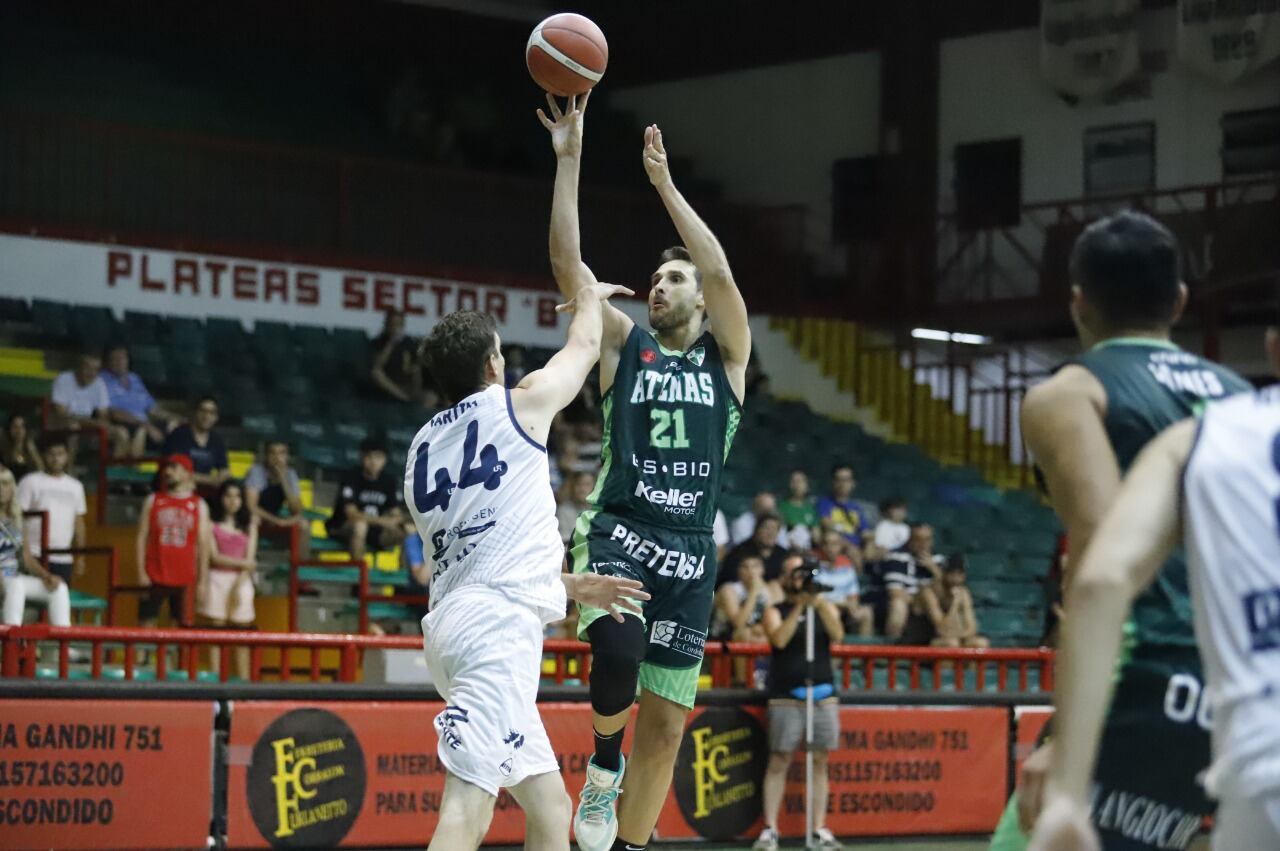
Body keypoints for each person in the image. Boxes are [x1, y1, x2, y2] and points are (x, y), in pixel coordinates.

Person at [990, 211, 1252, 851]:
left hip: (1150, 683)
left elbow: (1103, 558)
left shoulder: (1068, 396)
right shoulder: (1243, 399)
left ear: (1077, 302)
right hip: (1245, 688)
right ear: (1180, 302)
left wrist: (1065, 740)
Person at [541, 92, 753, 851]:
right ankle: (601, 768)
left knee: (664, 732)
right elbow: (570, 269)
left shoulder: (726, 359)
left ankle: (627, 845)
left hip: (690, 551)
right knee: (620, 654)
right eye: (657, 280)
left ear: (698, 299)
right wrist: (569, 159)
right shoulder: (624, 345)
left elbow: (721, 270)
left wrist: (664, 186)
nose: (659, 287)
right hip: (623, 530)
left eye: (674, 281)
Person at [408, 296, 648, 851]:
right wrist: (590, 297)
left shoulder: (421, 449)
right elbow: (586, 345)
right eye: (500, 355)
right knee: (468, 809)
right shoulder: (516, 407)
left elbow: (482, 553)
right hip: (494, 633)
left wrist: (565, 585)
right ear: (494, 366)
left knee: (550, 804)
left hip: (455, 623)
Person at [1029, 329, 1280, 851]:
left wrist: (1068, 791)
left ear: (1273, 348)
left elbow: (1102, 580)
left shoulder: (1206, 436)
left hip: (1257, 756)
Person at [754, 555, 846, 851]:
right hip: (785, 695)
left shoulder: (825, 607)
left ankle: (819, 828)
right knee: (780, 758)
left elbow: (838, 635)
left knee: (820, 759)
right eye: (797, 575)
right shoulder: (775, 610)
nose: (802, 580)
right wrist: (799, 608)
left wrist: (816, 604)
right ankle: (771, 829)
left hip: (822, 693)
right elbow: (779, 640)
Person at [137, 454, 209, 628]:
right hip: (154, 573)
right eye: (167, 467)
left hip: (185, 576)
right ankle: (142, 657)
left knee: (180, 627)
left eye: (174, 468)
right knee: (145, 625)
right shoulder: (153, 500)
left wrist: (202, 581)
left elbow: (203, 545)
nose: (168, 472)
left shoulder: (199, 505)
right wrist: (141, 572)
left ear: (187, 473)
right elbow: (141, 537)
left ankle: (173, 657)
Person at [198, 479, 258, 679]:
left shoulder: (250, 525)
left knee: (242, 634)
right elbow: (214, 557)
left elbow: (250, 560)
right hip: (216, 579)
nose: (233, 501)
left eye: (237, 496)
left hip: (241, 581)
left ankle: (244, 683)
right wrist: (244, 564)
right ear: (221, 498)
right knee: (216, 632)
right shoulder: (211, 525)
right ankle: (215, 682)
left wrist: (237, 584)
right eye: (228, 496)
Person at [1, 465, 70, 627]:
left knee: (59, 588)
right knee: (16, 584)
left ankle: (63, 643)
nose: (1, 489)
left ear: (12, 489)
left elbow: (27, 559)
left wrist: (46, 576)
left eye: (5, 484)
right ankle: (12, 639)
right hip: (4, 578)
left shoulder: (17, 520)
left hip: (12, 577)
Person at [17, 436, 87, 585]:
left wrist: (80, 557)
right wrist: (25, 552)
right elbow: (17, 518)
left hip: (63, 558)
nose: (56, 459)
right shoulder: (30, 481)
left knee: (60, 604)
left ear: (67, 456)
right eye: (51, 454)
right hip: (34, 555)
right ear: (44, 456)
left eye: (60, 454)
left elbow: (79, 524)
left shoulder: (76, 486)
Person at [325, 436, 407, 562]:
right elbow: (352, 514)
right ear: (362, 457)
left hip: (373, 530)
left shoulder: (389, 481)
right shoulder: (351, 476)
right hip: (342, 527)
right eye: (369, 457)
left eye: (378, 457)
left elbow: (394, 512)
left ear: (385, 460)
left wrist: (398, 521)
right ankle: (359, 577)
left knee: (409, 531)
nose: (374, 462)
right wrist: (383, 521)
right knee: (360, 526)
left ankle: (404, 578)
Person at [101, 344, 175, 459]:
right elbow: (113, 412)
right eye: (115, 358)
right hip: (124, 423)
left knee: (174, 425)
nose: (119, 362)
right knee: (141, 431)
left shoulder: (134, 378)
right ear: (107, 362)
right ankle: (133, 471)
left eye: (122, 358)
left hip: (145, 423)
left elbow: (152, 408)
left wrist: (174, 417)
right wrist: (146, 425)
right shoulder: (103, 380)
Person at [882, 524, 943, 641]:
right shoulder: (896, 557)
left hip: (932, 608)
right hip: (908, 604)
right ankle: (892, 647)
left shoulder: (939, 559)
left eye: (927, 540)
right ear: (910, 540)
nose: (923, 544)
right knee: (898, 604)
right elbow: (895, 592)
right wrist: (919, 600)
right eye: (918, 539)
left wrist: (934, 569)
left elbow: (944, 593)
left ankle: (944, 635)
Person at [244, 440, 309, 550]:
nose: (277, 458)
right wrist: (276, 521)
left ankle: (300, 565)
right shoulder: (256, 471)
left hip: (275, 519)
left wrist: (284, 480)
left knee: (304, 524)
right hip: (254, 518)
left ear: (287, 456)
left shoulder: (291, 474)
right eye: (273, 453)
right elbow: (252, 506)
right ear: (266, 456)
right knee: (254, 519)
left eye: (281, 453)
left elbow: (297, 510)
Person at [813, 530, 874, 638]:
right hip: (823, 612)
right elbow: (817, 600)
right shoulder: (814, 569)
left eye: (834, 544)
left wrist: (851, 606)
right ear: (821, 546)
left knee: (866, 613)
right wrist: (843, 604)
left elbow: (853, 598)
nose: (830, 548)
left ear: (840, 546)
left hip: (845, 611)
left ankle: (863, 653)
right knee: (832, 612)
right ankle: (834, 653)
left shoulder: (847, 569)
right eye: (826, 544)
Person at [917, 557, 987, 649]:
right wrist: (955, 602)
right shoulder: (929, 592)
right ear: (943, 574)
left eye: (959, 574)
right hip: (926, 641)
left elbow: (971, 626)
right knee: (951, 644)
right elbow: (942, 629)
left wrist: (963, 636)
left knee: (980, 643)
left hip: (954, 637)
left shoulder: (963, 592)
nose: (955, 579)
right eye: (952, 574)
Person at [161, 396, 230, 490]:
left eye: (212, 413)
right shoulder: (179, 435)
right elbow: (177, 472)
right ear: (195, 412)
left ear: (216, 418)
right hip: (177, 490)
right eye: (203, 411)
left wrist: (219, 478)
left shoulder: (217, 440)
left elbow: (224, 471)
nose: (207, 416)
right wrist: (211, 480)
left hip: (206, 494)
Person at [711, 554, 773, 643]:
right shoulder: (728, 590)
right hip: (721, 638)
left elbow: (769, 620)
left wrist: (760, 627)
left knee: (767, 635)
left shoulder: (767, 590)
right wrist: (753, 592)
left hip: (751, 634)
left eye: (755, 566)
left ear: (762, 570)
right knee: (745, 634)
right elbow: (738, 624)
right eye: (745, 567)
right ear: (738, 570)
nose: (750, 571)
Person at [816, 463, 870, 559]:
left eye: (846, 480)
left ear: (853, 483)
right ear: (833, 482)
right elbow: (826, 524)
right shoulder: (824, 503)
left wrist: (871, 541)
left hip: (858, 546)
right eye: (838, 480)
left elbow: (864, 531)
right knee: (852, 551)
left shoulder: (856, 508)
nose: (842, 484)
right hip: (839, 545)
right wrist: (847, 542)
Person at [369, 309, 424, 404]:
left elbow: (414, 366)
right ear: (386, 325)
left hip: (405, 383)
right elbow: (377, 365)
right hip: (389, 385)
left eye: (399, 324)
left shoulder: (409, 343)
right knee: (376, 374)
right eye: (392, 324)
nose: (395, 327)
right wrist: (391, 343)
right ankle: (405, 399)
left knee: (430, 396)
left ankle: (413, 401)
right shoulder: (378, 342)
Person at [721, 513, 788, 589]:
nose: (771, 533)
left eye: (775, 529)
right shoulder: (739, 552)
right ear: (757, 530)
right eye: (767, 528)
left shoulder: (783, 554)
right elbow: (728, 580)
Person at [49, 350, 110, 432]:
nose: (91, 373)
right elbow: (62, 414)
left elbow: (103, 415)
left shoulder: (99, 383)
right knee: (74, 426)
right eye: (88, 368)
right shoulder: (63, 379)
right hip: (63, 425)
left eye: (96, 370)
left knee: (120, 433)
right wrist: (91, 422)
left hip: (90, 424)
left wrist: (97, 422)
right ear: (79, 367)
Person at [777, 470, 819, 550]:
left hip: (808, 550)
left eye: (800, 481)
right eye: (793, 481)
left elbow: (816, 535)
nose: (797, 485)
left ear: (807, 485)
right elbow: (780, 533)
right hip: (789, 549)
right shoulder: (782, 507)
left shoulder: (812, 508)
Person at [0, 414, 43, 482]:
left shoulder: (32, 448)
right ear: (9, 429)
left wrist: (32, 450)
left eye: (22, 426)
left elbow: (41, 470)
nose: (19, 430)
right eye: (15, 426)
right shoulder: (2, 449)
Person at [557, 470, 595, 544]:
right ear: (572, 487)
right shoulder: (563, 510)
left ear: (594, 488)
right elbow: (565, 541)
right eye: (578, 484)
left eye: (587, 485)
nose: (582, 489)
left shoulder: (601, 511)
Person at [867, 496, 910, 561]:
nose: (900, 512)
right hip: (883, 557)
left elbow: (906, 546)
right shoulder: (882, 525)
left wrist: (890, 550)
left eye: (903, 509)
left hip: (902, 557)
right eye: (897, 509)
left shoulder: (907, 528)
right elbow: (878, 544)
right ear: (889, 510)